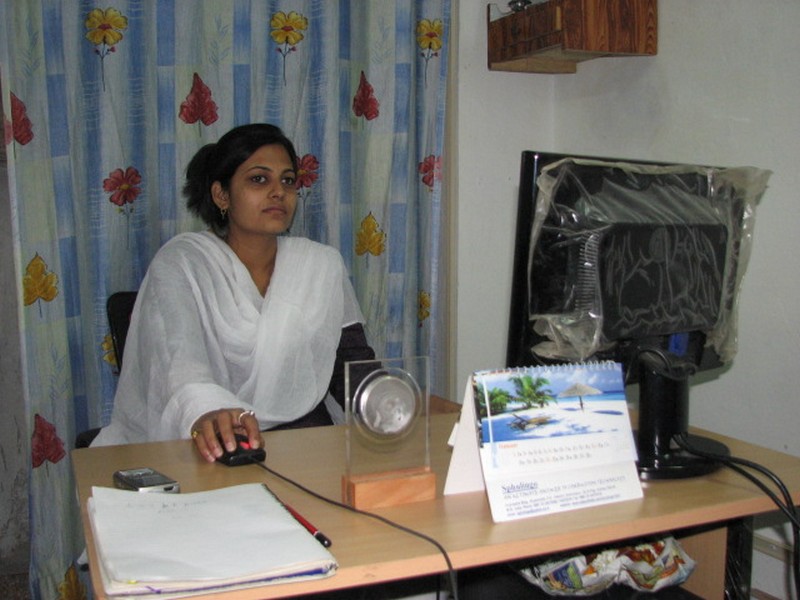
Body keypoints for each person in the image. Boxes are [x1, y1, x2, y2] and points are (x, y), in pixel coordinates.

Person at [93, 123, 375, 462]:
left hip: (308, 444)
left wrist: (392, 403)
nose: (279, 192)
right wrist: (208, 411)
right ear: (221, 195)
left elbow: (352, 367)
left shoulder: (319, 265)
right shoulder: (183, 263)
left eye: (288, 180)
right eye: (259, 179)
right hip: (217, 444)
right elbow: (179, 364)